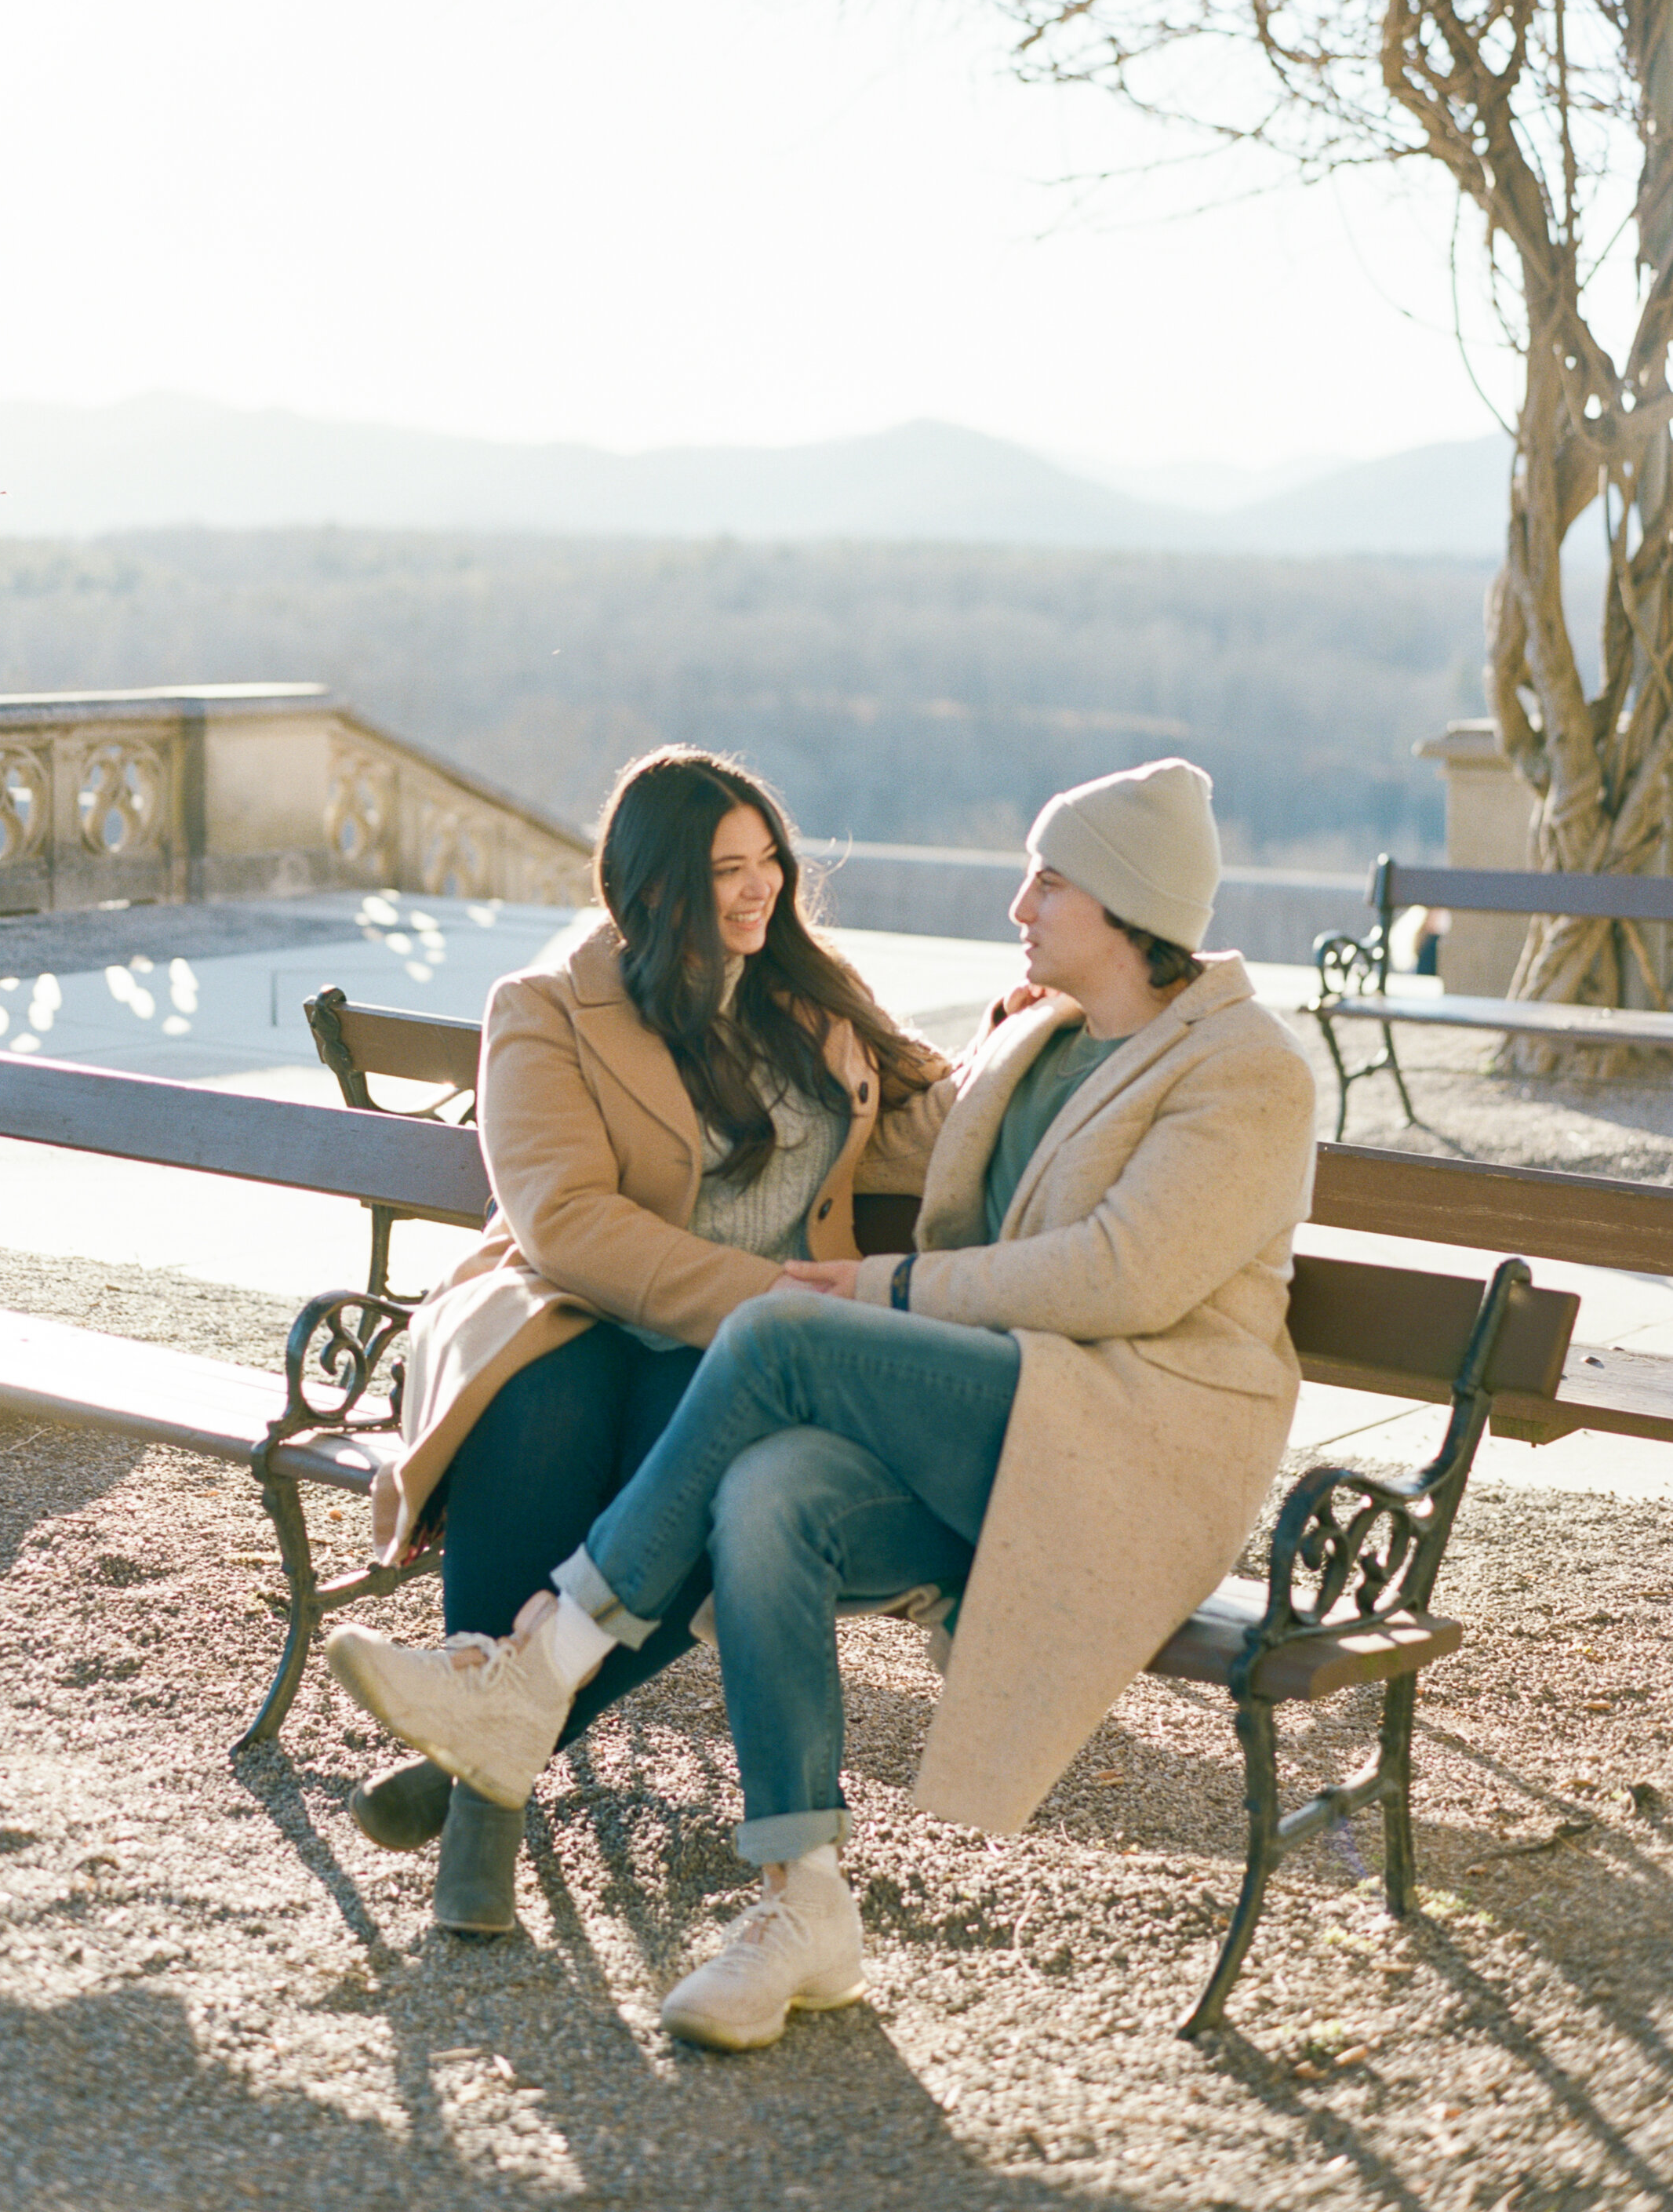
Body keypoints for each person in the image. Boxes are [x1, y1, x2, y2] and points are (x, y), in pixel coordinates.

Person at [327, 757, 1318, 2048]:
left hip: (1118, 1438)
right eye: (723, 872)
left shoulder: (1245, 1067)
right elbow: (903, 1139)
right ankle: (806, 1909)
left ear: (1127, 905)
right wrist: (964, 1088)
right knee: (759, 1491)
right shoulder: (1042, 1035)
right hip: (941, 1399)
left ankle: (524, 1685)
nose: (1016, 902)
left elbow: (1119, 1268)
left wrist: (876, 1286)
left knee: (787, 1334)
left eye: (1049, 879)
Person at [348, 744, 944, 1934]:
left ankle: (479, 1771)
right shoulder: (545, 1009)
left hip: (734, 1354)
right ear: (653, 881)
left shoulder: (814, 1009)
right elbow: (564, 1220)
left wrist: (1032, 1042)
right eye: (728, 867)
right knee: (541, 1413)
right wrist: (766, 1302)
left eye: (769, 861)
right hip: (569, 1308)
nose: (761, 887)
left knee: (710, 1504)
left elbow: (938, 1129)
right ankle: (484, 1821)